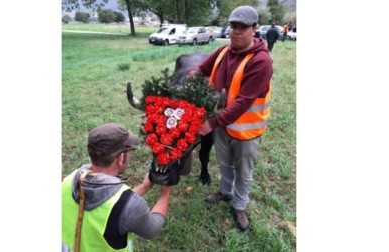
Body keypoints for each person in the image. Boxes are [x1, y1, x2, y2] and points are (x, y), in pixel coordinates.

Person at [194, 5, 273, 231]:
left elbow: (243, 101)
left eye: (243, 27)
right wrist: (187, 83)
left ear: (254, 29)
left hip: (246, 131)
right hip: (222, 127)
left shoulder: (261, 62)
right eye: (233, 26)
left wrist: (211, 123)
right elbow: (200, 70)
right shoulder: (222, 52)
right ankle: (225, 192)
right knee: (225, 164)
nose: (236, 31)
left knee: (244, 171)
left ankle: (239, 205)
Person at [62, 123, 171, 252]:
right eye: (129, 150)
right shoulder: (132, 206)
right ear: (120, 158)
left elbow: (114, 204)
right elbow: (152, 228)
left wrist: (144, 187)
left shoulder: (68, 181)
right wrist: (166, 192)